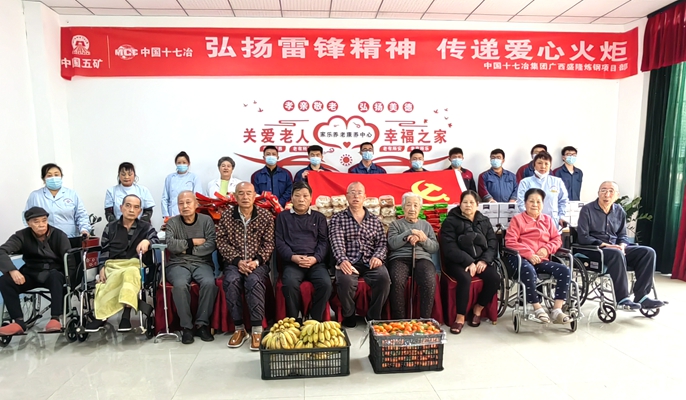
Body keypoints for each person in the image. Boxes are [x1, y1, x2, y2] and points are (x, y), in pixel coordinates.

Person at [576, 181, 664, 310]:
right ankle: (622, 299)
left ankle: (642, 296)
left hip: (616, 248)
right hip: (595, 250)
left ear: (617, 195)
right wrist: (606, 245)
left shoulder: (619, 210)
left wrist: (622, 245)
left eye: (611, 191)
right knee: (616, 253)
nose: (607, 194)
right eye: (603, 190)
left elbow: (622, 235)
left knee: (648, 252)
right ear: (598, 193)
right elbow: (583, 237)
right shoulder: (587, 210)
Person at [85, 195, 159, 333]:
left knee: (130, 273)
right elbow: (105, 249)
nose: (131, 210)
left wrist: (147, 241)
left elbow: (156, 239)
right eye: (128, 205)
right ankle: (102, 316)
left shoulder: (146, 227)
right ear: (121, 207)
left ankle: (126, 315)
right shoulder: (110, 227)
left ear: (140, 211)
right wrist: (102, 267)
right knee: (105, 282)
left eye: (136, 207)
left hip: (135, 265)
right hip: (114, 265)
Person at [216, 182, 275, 350]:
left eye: (249, 193)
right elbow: (221, 241)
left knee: (254, 281)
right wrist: (237, 261)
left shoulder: (265, 216)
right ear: (235, 196)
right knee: (231, 281)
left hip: (258, 263)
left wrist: (256, 261)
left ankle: (257, 329)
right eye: (241, 193)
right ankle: (239, 329)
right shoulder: (227, 216)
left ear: (255, 196)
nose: (245, 196)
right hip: (234, 263)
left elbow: (269, 243)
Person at [0, 207, 70, 335]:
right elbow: (2, 251)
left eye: (44, 220)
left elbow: (69, 259)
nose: (41, 224)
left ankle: (55, 319)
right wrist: (12, 270)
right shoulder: (21, 236)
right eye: (36, 222)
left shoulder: (59, 235)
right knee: (5, 281)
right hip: (31, 273)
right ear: (28, 223)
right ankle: (18, 322)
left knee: (55, 276)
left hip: (53, 272)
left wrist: (70, 279)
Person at [505, 188, 572, 324]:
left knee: (564, 270)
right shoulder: (518, 220)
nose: (535, 204)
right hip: (522, 260)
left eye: (538, 201)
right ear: (525, 203)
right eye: (531, 201)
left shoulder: (547, 220)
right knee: (528, 270)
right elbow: (510, 242)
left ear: (543, 204)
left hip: (541, 260)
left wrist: (546, 249)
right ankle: (537, 308)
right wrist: (529, 254)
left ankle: (557, 310)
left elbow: (557, 239)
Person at [329, 182, 390, 327]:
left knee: (384, 279)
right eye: (352, 192)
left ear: (365, 197)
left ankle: (373, 315)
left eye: (359, 193)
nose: (356, 196)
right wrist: (342, 260)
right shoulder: (338, 218)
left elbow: (382, 243)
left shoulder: (375, 220)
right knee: (345, 281)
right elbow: (336, 242)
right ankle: (349, 314)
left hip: (370, 261)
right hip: (349, 260)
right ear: (346, 196)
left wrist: (378, 256)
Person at [440, 191, 500, 334]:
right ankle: (460, 317)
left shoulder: (484, 221)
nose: (468, 205)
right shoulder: (450, 221)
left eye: (471, 202)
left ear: (477, 204)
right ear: (460, 204)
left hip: (480, 260)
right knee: (465, 278)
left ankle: (478, 308)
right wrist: (468, 261)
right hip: (457, 261)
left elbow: (492, 243)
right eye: (465, 202)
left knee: (494, 278)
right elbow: (449, 247)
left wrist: (484, 260)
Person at [164, 191, 218, 344]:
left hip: (202, 262)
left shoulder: (206, 220)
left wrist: (185, 249)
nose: (185, 206)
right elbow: (171, 245)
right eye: (181, 203)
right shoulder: (172, 223)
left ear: (196, 204)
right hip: (177, 263)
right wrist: (192, 242)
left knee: (209, 283)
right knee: (180, 285)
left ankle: (202, 324)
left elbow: (211, 244)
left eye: (188, 202)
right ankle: (186, 327)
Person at [275, 181, 332, 321]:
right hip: (293, 262)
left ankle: (314, 318)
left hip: (315, 262)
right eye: (297, 195)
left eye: (305, 196)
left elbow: (324, 242)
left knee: (326, 284)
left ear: (311, 198)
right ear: (291, 198)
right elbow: (279, 242)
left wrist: (315, 258)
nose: (301, 199)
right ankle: (295, 318)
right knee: (289, 284)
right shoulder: (283, 217)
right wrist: (293, 257)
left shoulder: (319, 217)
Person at [387, 192, 438, 320]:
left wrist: (423, 239)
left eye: (416, 205)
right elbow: (392, 244)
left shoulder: (426, 225)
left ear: (420, 208)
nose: (412, 209)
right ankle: (399, 320)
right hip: (399, 258)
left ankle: (425, 319)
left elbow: (434, 247)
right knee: (397, 280)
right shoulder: (395, 224)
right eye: (408, 205)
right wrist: (409, 233)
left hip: (422, 258)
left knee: (429, 279)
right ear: (403, 207)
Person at [24, 163, 91, 247]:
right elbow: (26, 217)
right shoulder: (35, 196)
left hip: (70, 238)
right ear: (44, 178)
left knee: (69, 255)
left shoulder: (72, 194)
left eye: (56, 175)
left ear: (61, 176)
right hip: (45, 240)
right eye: (49, 175)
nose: (53, 178)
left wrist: (84, 230)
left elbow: (81, 215)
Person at [516, 151, 568, 227]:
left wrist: (561, 216)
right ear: (534, 165)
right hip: (531, 224)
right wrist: (530, 218)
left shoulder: (557, 182)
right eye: (539, 163)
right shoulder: (525, 182)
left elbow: (563, 201)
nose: (543, 166)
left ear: (550, 166)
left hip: (552, 223)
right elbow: (521, 202)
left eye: (546, 163)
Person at [161, 151, 203, 219]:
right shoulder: (170, 178)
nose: (181, 165)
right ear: (176, 164)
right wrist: (166, 216)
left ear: (188, 163)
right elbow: (165, 198)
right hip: (172, 214)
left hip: (190, 214)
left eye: (184, 162)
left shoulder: (194, 177)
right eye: (179, 163)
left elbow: (198, 198)